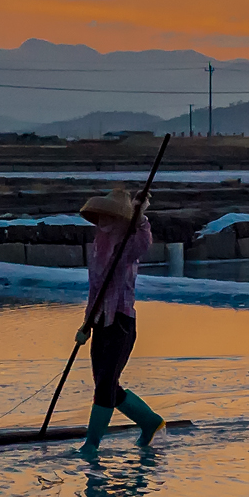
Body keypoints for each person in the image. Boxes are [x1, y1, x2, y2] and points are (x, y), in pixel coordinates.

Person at [78, 186, 165, 454]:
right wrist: (86, 325)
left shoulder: (128, 246)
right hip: (101, 323)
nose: (104, 223)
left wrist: (141, 216)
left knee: (105, 386)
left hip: (121, 323)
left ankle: (91, 444)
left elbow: (143, 242)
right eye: (101, 217)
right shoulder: (98, 250)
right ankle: (150, 421)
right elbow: (95, 291)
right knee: (105, 384)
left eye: (109, 217)